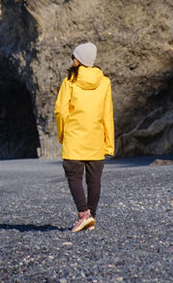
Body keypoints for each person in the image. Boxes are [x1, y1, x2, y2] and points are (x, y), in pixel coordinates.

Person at [54, 42, 114, 233]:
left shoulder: (69, 81)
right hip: (96, 139)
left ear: (79, 59)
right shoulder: (104, 82)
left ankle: (83, 215)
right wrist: (109, 143)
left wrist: (62, 134)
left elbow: (60, 112)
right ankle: (91, 217)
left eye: (74, 56)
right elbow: (107, 114)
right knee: (94, 181)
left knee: (73, 176)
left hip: (74, 138)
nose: (72, 59)